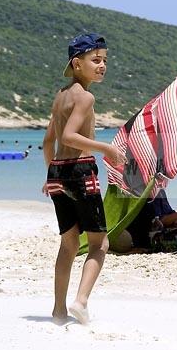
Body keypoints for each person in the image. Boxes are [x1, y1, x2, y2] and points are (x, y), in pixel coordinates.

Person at [42, 33, 126, 325]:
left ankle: (58, 311)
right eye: (96, 60)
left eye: (104, 60)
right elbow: (69, 137)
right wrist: (106, 148)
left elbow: (48, 142)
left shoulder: (60, 96)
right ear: (77, 64)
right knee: (99, 244)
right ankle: (80, 301)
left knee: (68, 245)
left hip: (57, 172)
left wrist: (50, 174)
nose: (102, 65)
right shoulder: (86, 97)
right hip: (80, 171)